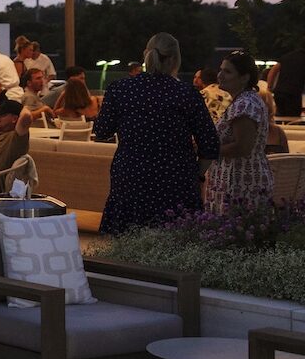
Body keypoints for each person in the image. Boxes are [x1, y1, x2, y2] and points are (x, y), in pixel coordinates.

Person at [93, 33, 221, 234]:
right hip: (176, 180)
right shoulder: (186, 94)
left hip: (131, 177)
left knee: (126, 246)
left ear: (146, 55)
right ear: (175, 59)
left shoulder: (120, 89)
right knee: (175, 246)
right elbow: (211, 145)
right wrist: (196, 174)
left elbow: (101, 131)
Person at [206, 50, 273, 214]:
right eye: (221, 69)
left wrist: (207, 149)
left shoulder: (245, 105)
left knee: (237, 235)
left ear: (244, 77)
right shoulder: (245, 101)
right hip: (238, 180)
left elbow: (242, 147)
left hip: (240, 183)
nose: (220, 75)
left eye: (227, 71)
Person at [268, 38, 305, 120]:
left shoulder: (287, 56)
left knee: (280, 118)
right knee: (293, 120)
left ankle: (281, 132)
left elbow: (273, 70)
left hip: (279, 93)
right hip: (293, 94)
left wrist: (269, 87)